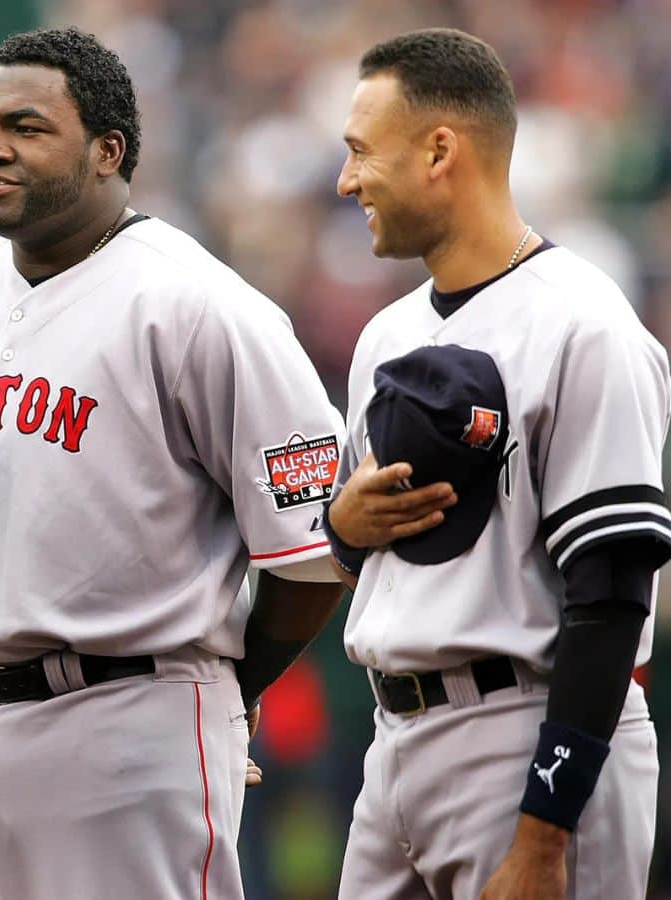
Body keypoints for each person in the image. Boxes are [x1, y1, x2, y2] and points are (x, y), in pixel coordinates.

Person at [0, 26, 344, 899]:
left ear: (107, 151)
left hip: (127, 722)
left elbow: (311, 550)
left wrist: (242, 685)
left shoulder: (198, 306)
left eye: (26, 128)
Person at [327, 28, 669, 900]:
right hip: (394, 737)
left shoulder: (585, 325)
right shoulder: (385, 337)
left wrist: (544, 835)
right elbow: (355, 552)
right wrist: (342, 528)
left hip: (529, 732)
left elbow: (612, 591)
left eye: (362, 151)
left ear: (440, 150)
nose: (346, 179)